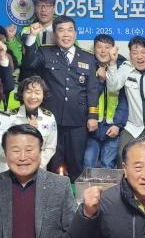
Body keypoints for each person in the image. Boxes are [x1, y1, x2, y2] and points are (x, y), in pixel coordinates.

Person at [21, 15, 100, 180]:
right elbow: (29, 63)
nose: (66, 34)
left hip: (78, 121)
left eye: (70, 30)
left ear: (75, 34)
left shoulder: (87, 57)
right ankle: (54, 195)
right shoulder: (45, 52)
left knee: (76, 163)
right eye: (61, 30)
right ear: (55, 34)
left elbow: (92, 89)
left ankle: (75, 196)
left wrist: (93, 116)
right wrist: (32, 37)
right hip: (51, 119)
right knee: (53, 164)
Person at [105, 36, 145, 160]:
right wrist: (112, 63)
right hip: (133, 127)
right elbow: (113, 87)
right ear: (130, 55)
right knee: (122, 156)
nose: (139, 57)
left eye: (143, 52)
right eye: (135, 53)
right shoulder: (126, 68)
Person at [83, 34, 128, 169]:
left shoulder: (122, 67)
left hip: (112, 126)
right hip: (92, 126)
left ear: (113, 49)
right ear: (94, 49)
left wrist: (117, 125)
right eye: (99, 47)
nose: (103, 51)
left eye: (107, 47)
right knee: (88, 162)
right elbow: (85, 97)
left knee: (108, 164)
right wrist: (101, 81)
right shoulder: (87, 65)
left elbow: (125, 100)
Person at [11, 76, 57, 169]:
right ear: (22, 94)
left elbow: (50, 147)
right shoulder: (10, 117)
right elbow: (7, 147)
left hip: (39, 169)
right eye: (28, 92)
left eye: (37, 92)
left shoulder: (49, 117)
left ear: (43, 96)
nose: (33, 97)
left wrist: (36, 164)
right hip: (15, 169)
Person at [20, 0, 59, 80]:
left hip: (56, 79)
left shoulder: (62, 29)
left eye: (48, 6)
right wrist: (10, 40)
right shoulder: (25, 30)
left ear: (54, 8)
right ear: (34, 7)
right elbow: (17, 58)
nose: (43, 9)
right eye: (39, 5)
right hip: (32, 79)